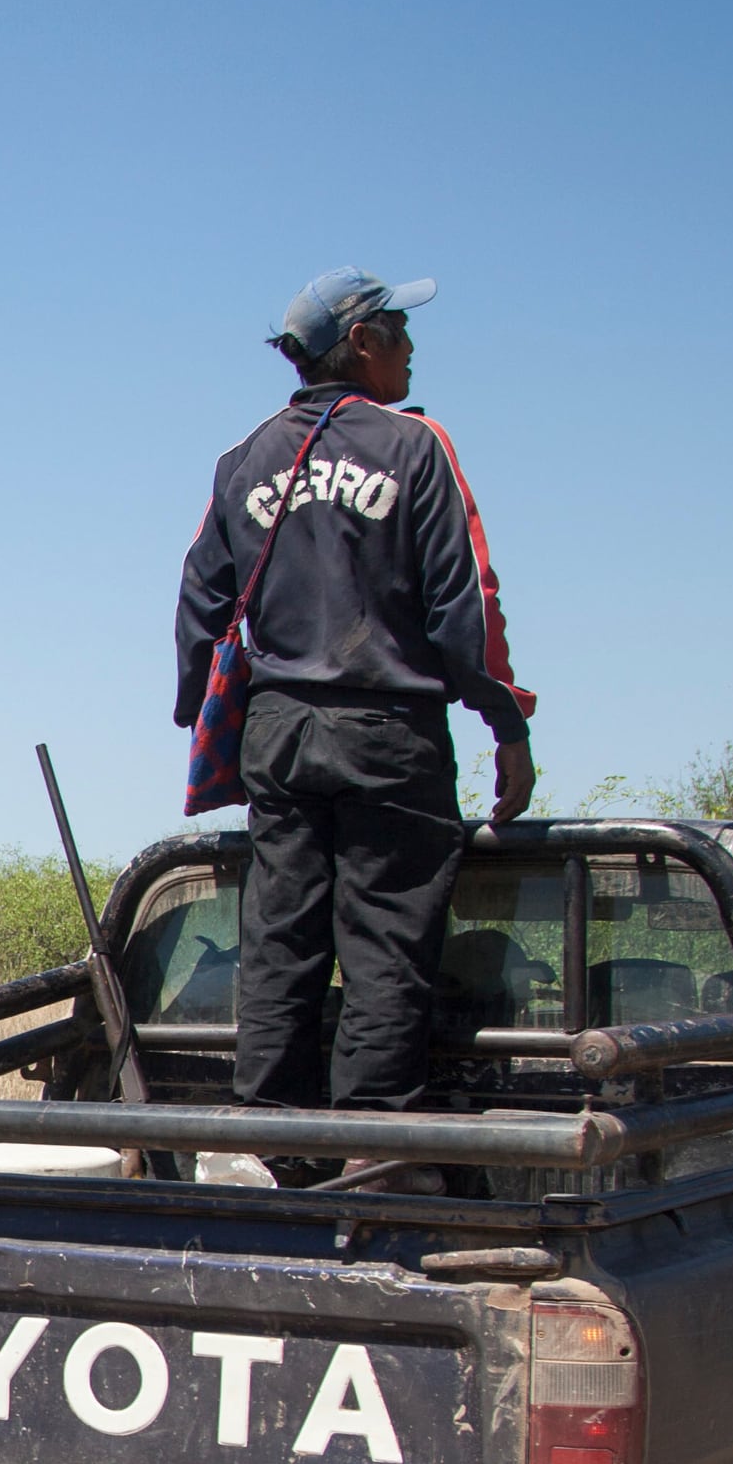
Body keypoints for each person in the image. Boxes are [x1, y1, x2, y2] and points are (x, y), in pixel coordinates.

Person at [175, 267, 538, 1168]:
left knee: (280, 944)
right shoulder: (415, 445)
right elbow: (469, 606)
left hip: (279, 735)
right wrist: (507, 724)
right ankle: (372, 1166)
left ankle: (271, 1157)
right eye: (398, 329)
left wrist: (201, 711)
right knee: (384, 950)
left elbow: (198, 604)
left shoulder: (243, 459)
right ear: (361, 343)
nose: (412, 346)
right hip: (388, 735)